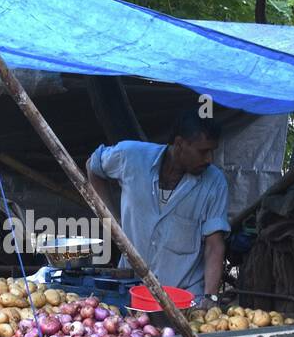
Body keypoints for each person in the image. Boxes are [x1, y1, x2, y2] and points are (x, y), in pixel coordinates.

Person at [86, 110, 229, 300]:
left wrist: (211, 299)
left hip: (184, 298)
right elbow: (93, 166)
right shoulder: (131, 156)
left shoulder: (214, 182)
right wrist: (112, 220)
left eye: (212, 151)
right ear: (179, 144)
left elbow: (214, 246)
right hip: (131, 292)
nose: (209, 159)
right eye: (203, 151)